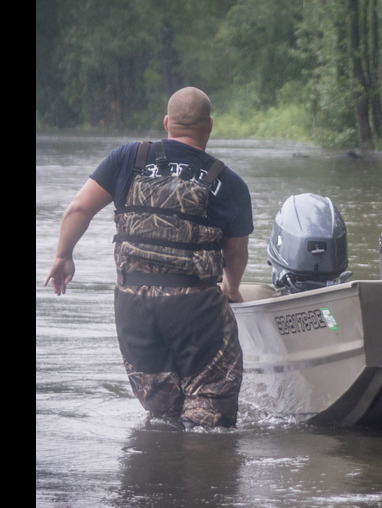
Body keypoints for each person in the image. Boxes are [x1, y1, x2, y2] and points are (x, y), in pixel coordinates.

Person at [44, 87, 253, 429]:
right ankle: (206, 476)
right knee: (208, 417)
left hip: (133, 307)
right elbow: (236, 252)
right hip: (194, 309)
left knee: (163, 417)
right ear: (210, 126)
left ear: (167, 123)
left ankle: (157, 475)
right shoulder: (228, 183)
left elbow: (78, 207)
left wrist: (62, 256)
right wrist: (231, 287)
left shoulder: (129, 157)